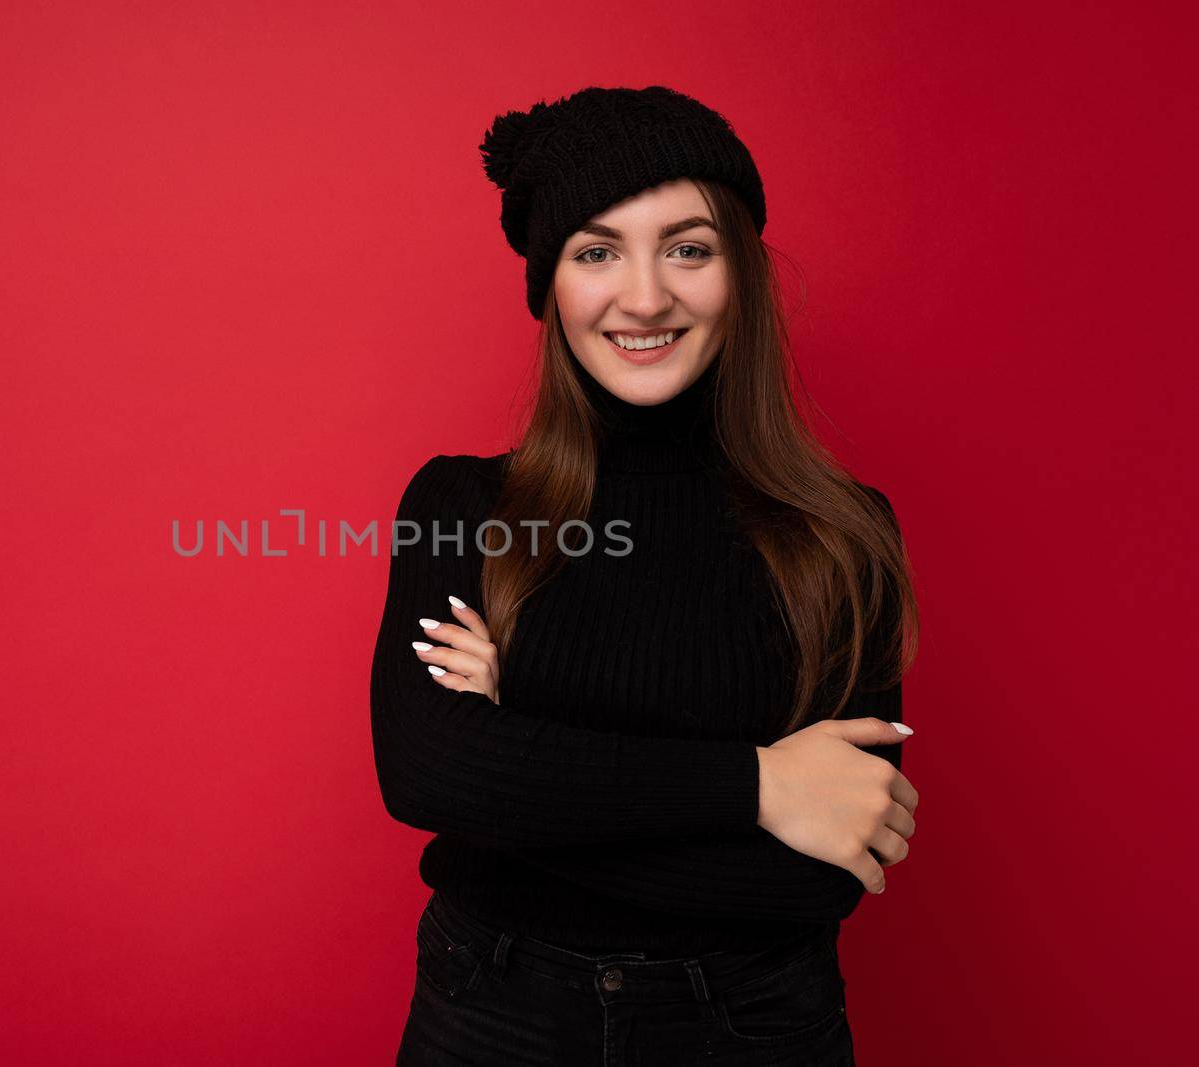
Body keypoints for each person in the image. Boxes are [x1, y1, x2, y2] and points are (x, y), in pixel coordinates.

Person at [370, 85, 922, 1065]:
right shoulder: (462, 508)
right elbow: (428, 770)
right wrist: (760, 783)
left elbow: (819, 875)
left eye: (686, 247)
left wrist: (516, 768)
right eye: (595, 251)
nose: (644, 296)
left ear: (738, 273)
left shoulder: (844, 534)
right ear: (553, 290)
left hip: (752, 1026)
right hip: (494, 1012)